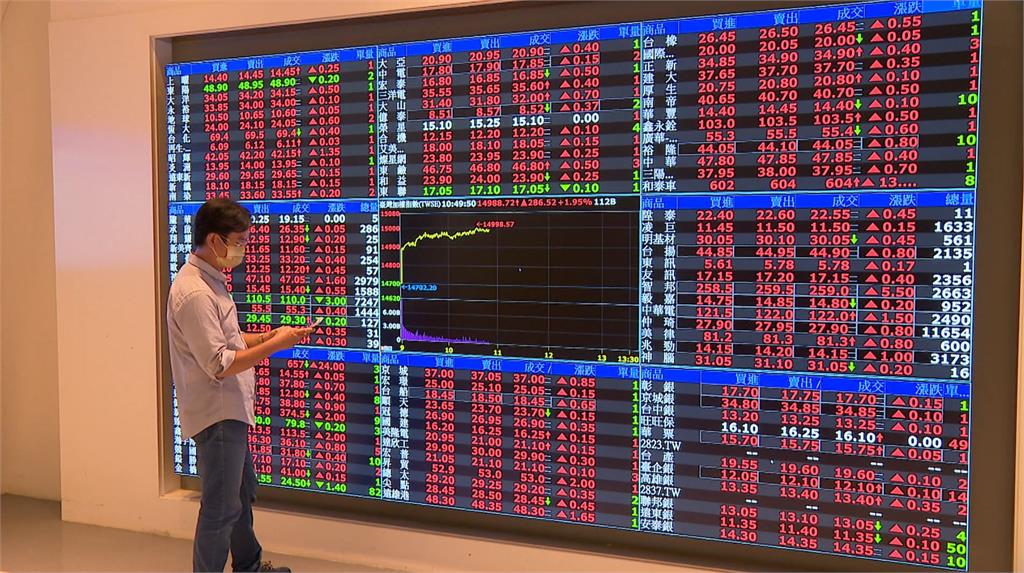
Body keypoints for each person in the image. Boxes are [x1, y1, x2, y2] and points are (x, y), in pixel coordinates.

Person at [167, 198, 313, 572]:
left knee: (241, 494)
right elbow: (219, 363)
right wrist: (274, 347)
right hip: (217, 416)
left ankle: (248, 566)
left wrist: (266, 336)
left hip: (230, 411)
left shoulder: (210, 281)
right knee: (220, 508)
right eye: (239, 241)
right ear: (214, 240)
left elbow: (228, 340)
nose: (243, 249)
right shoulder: (196, 293)